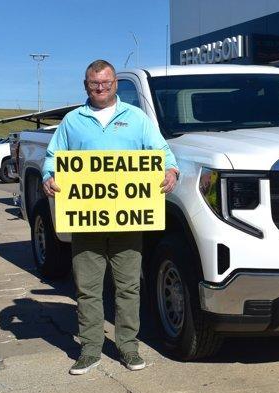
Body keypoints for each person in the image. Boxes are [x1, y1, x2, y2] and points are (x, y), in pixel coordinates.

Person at [41, 59, 179, 375]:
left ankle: (128, 348)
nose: (100, 88)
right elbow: (52, 159)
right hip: (86, 220)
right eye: (94, 84)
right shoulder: (72, 121)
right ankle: (89, 350)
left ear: (115, 83)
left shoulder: (137, 118)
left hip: (128, 219)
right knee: (88, 288)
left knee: (128, 287)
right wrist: (49, 176)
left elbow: (162, 152)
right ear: (85, 85)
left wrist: (170, 170)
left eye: (106, 82)